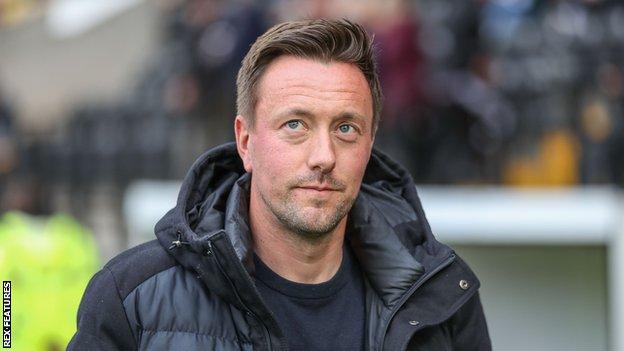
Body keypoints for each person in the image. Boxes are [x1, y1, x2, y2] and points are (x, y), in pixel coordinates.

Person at [68, 19, 490, 350]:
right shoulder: (131, 297)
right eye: (295, 125)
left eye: (346, 128)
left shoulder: (442, 296)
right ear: (245, 142)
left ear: (370, 144)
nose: (323, 156)